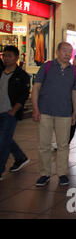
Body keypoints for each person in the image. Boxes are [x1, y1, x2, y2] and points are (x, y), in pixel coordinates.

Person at [32, 42, 76, 187]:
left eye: (70, 51)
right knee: (44, 145)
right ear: (57, 51)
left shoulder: (74, 71)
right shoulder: (46, 67)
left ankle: (62, 173)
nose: (67, 54)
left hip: (65, 112)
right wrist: (35, 108)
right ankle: (44, 174)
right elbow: (36, 88)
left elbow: (75, 92)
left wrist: (75, 112)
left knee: (63, 145)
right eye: (64, 51)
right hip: (45, 111)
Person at [0, 46, 30, 181]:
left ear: (17, 57)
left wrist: (14, 110)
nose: (6, 58)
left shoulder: (21, 76)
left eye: (9, 56)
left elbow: (23, 95)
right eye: (4, 55)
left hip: (10, 113)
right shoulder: (0, 72)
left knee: (3, 142)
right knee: (5, 138)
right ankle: (20, 157)